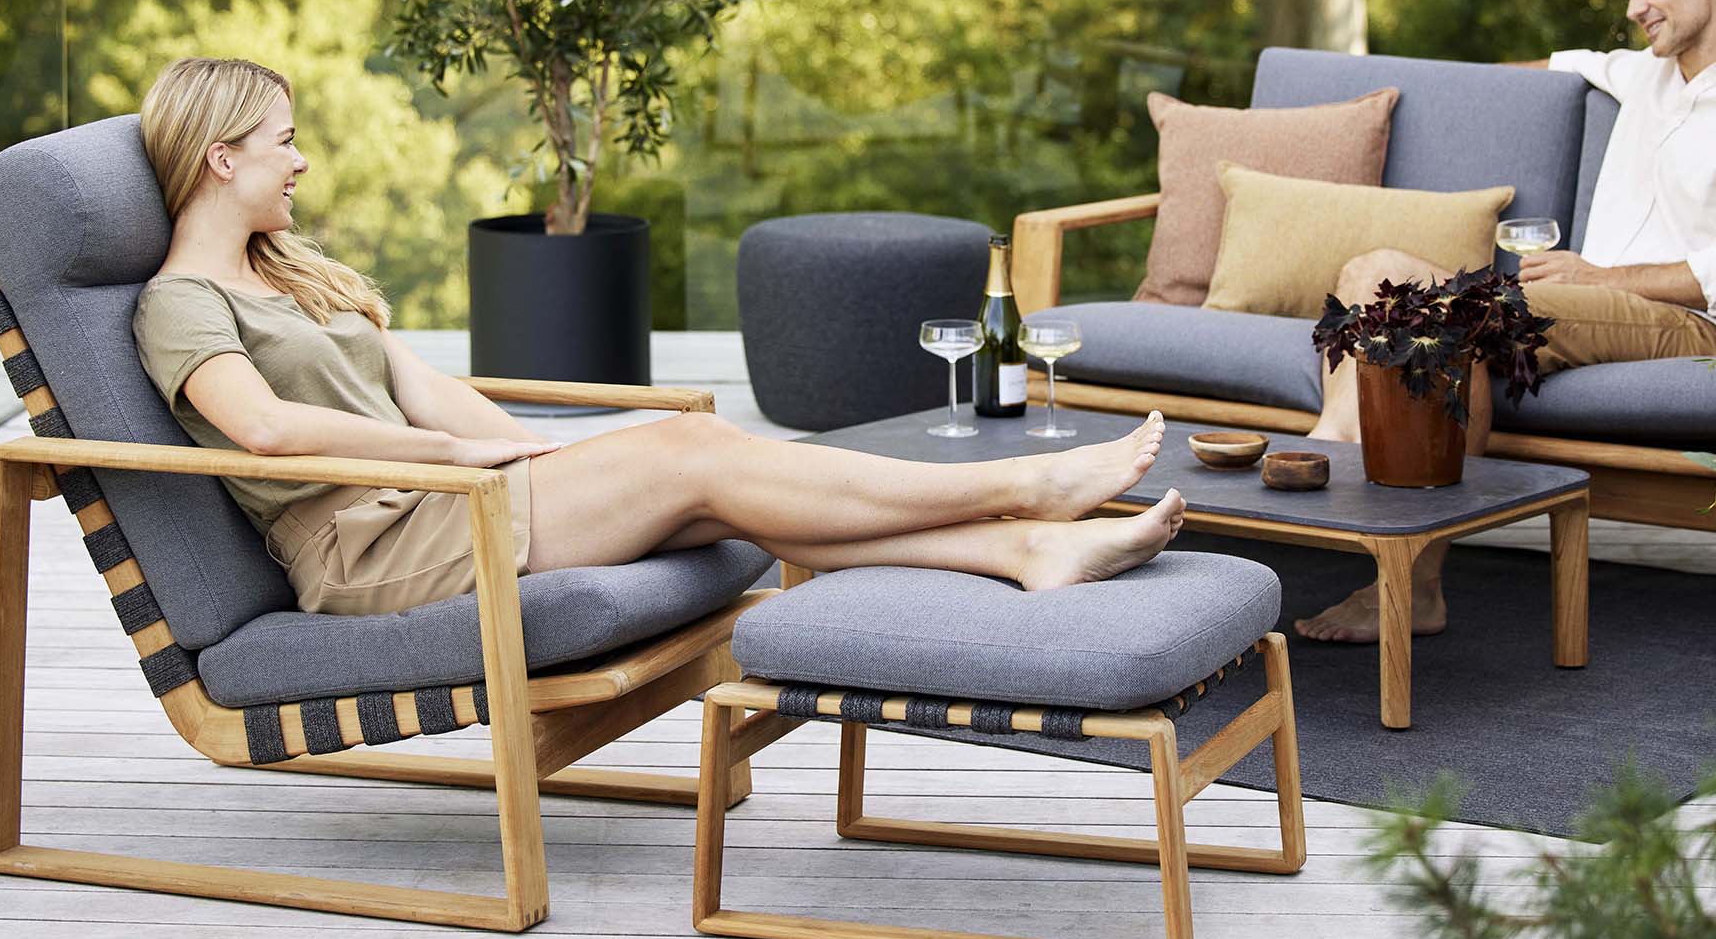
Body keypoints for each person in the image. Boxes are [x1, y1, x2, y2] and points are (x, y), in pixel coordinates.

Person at [131, 56, 1185, 617]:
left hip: (447, 504)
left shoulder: (294, 272)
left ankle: (1026, 547)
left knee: (724, 495)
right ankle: (1023, 489)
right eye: (284, 142)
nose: (301, 161)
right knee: (694, 451)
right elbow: (265, 432)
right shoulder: (180, 302)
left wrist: (537, 454)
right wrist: (453, 455)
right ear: (221, 158)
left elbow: (421, 385)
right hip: (366, 547)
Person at [1297, 0, 1716, 644]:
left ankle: (1405, 568)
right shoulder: (1645, 73)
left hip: (1688, 322)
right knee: (1375, 270)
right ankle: (1338, 436)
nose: (1634, 7)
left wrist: (1598, 278)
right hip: (1584, 302)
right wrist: (1429, 89)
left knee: (1455, 315)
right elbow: (1540, 73)